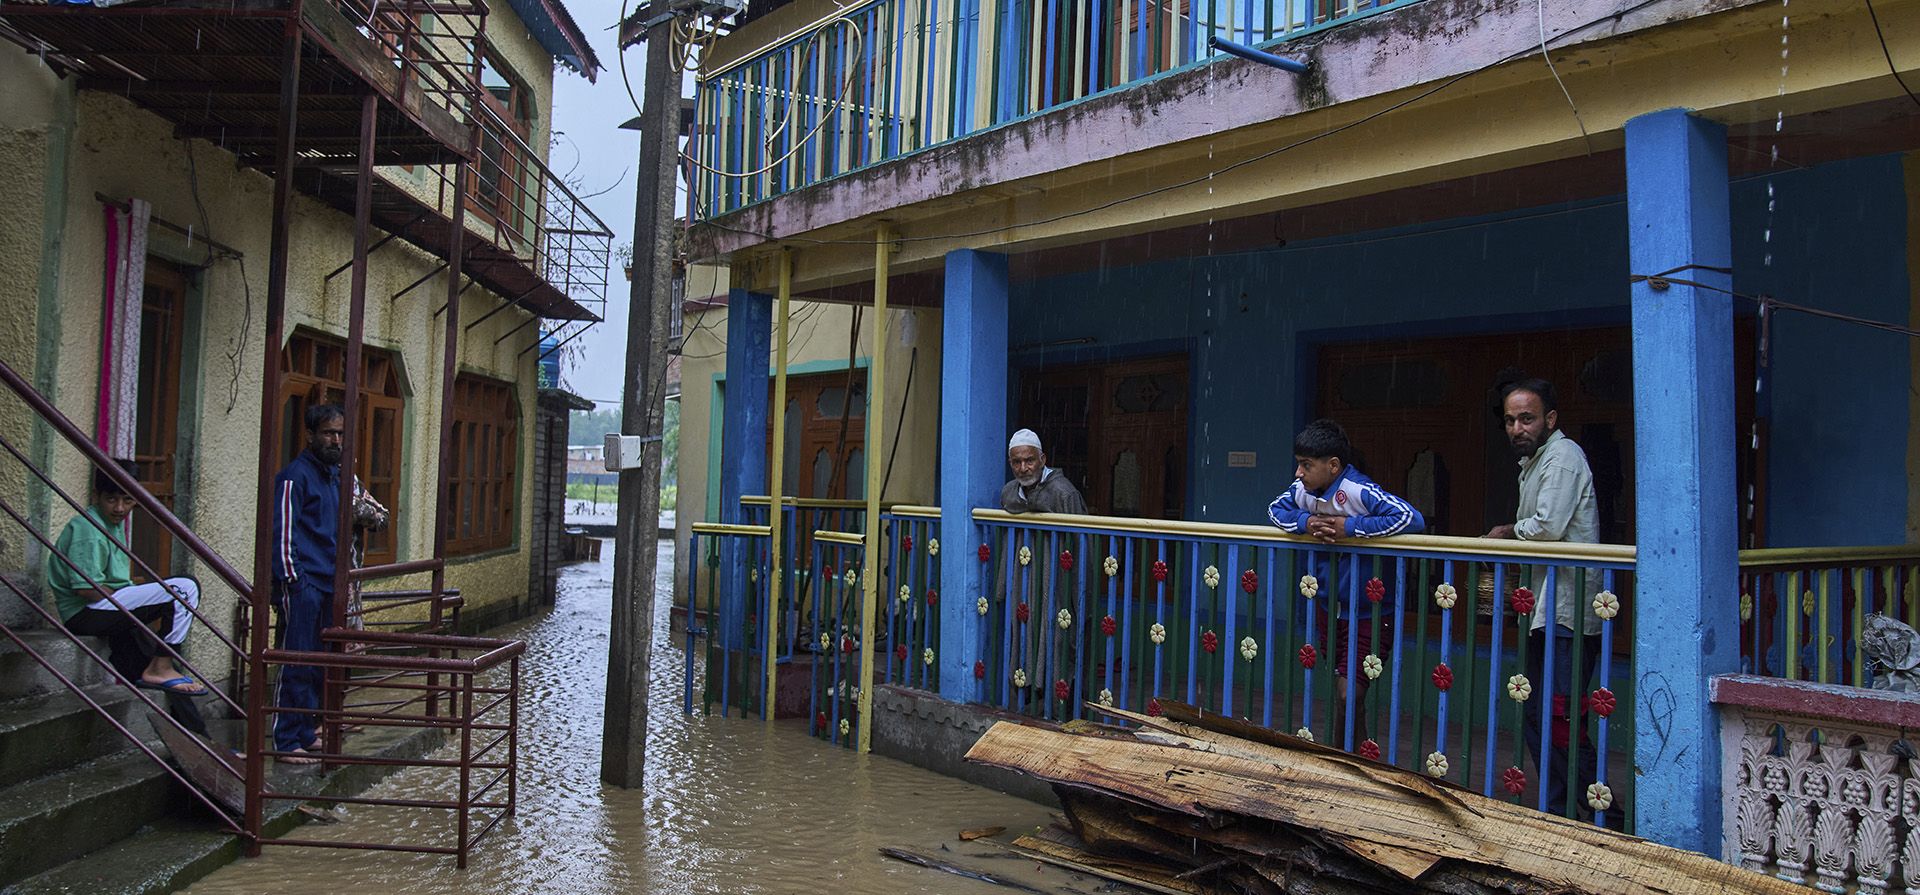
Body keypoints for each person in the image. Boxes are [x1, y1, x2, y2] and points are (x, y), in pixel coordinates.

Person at [1484, 378, 1604, 819]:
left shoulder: (1564, 457)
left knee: (1561, 719)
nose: (1517, 427)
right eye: (1511, 420)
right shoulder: (1536, 462)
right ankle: (1563, 808)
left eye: (1527, 418)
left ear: (1550, 419)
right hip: (1544, 608)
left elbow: (1548, 526)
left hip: (1568, 610)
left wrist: (1507, 532)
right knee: (1539, 715)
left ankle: (1593, 812)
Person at [1266, 419, 1424, 747]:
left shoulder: (1358, 490)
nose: (1299, 473)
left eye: (1306, 465)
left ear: (1333, 465)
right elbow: (1275, 509)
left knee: (1349, 692)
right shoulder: (1303, 493)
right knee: (1345, 689)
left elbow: (1411, 518)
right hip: (1331, 607)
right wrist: (1305, 521)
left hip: (1370, 610)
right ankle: (1350, 756)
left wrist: (1349, 528)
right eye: (1299, 464)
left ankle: (1342, 757)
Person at [49, 462, 205, 694]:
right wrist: (133, 599)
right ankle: (162, 666)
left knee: (147, 651)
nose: (120, 508)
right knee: (186, 587)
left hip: (101, 605)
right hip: (85, 613)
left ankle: (163, 677)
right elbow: (86, 589)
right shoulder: (87, 527)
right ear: (96, 496)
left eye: (128, 499)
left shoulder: (112, 523)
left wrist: (135, 598)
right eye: (111, 499)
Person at [270, 403, 346, 765]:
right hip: (304, 583)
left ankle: (304, 730)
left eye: (340, 434)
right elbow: (283, 532)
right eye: (329, 433)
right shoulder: (293, 477)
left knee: (318, 663)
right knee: (296, 659)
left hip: (329, 580)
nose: (335, 440)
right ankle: (285, 739)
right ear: (310, 435)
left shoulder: (334, 476)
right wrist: (293, 579)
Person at [1000, 429, 1087, 515]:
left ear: (1042, 460)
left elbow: (1079, 527)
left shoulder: (1064, 493)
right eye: (1017, 462)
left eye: (1029, 461)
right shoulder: (1008, 492)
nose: (1023, 469)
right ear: (1010, 463)